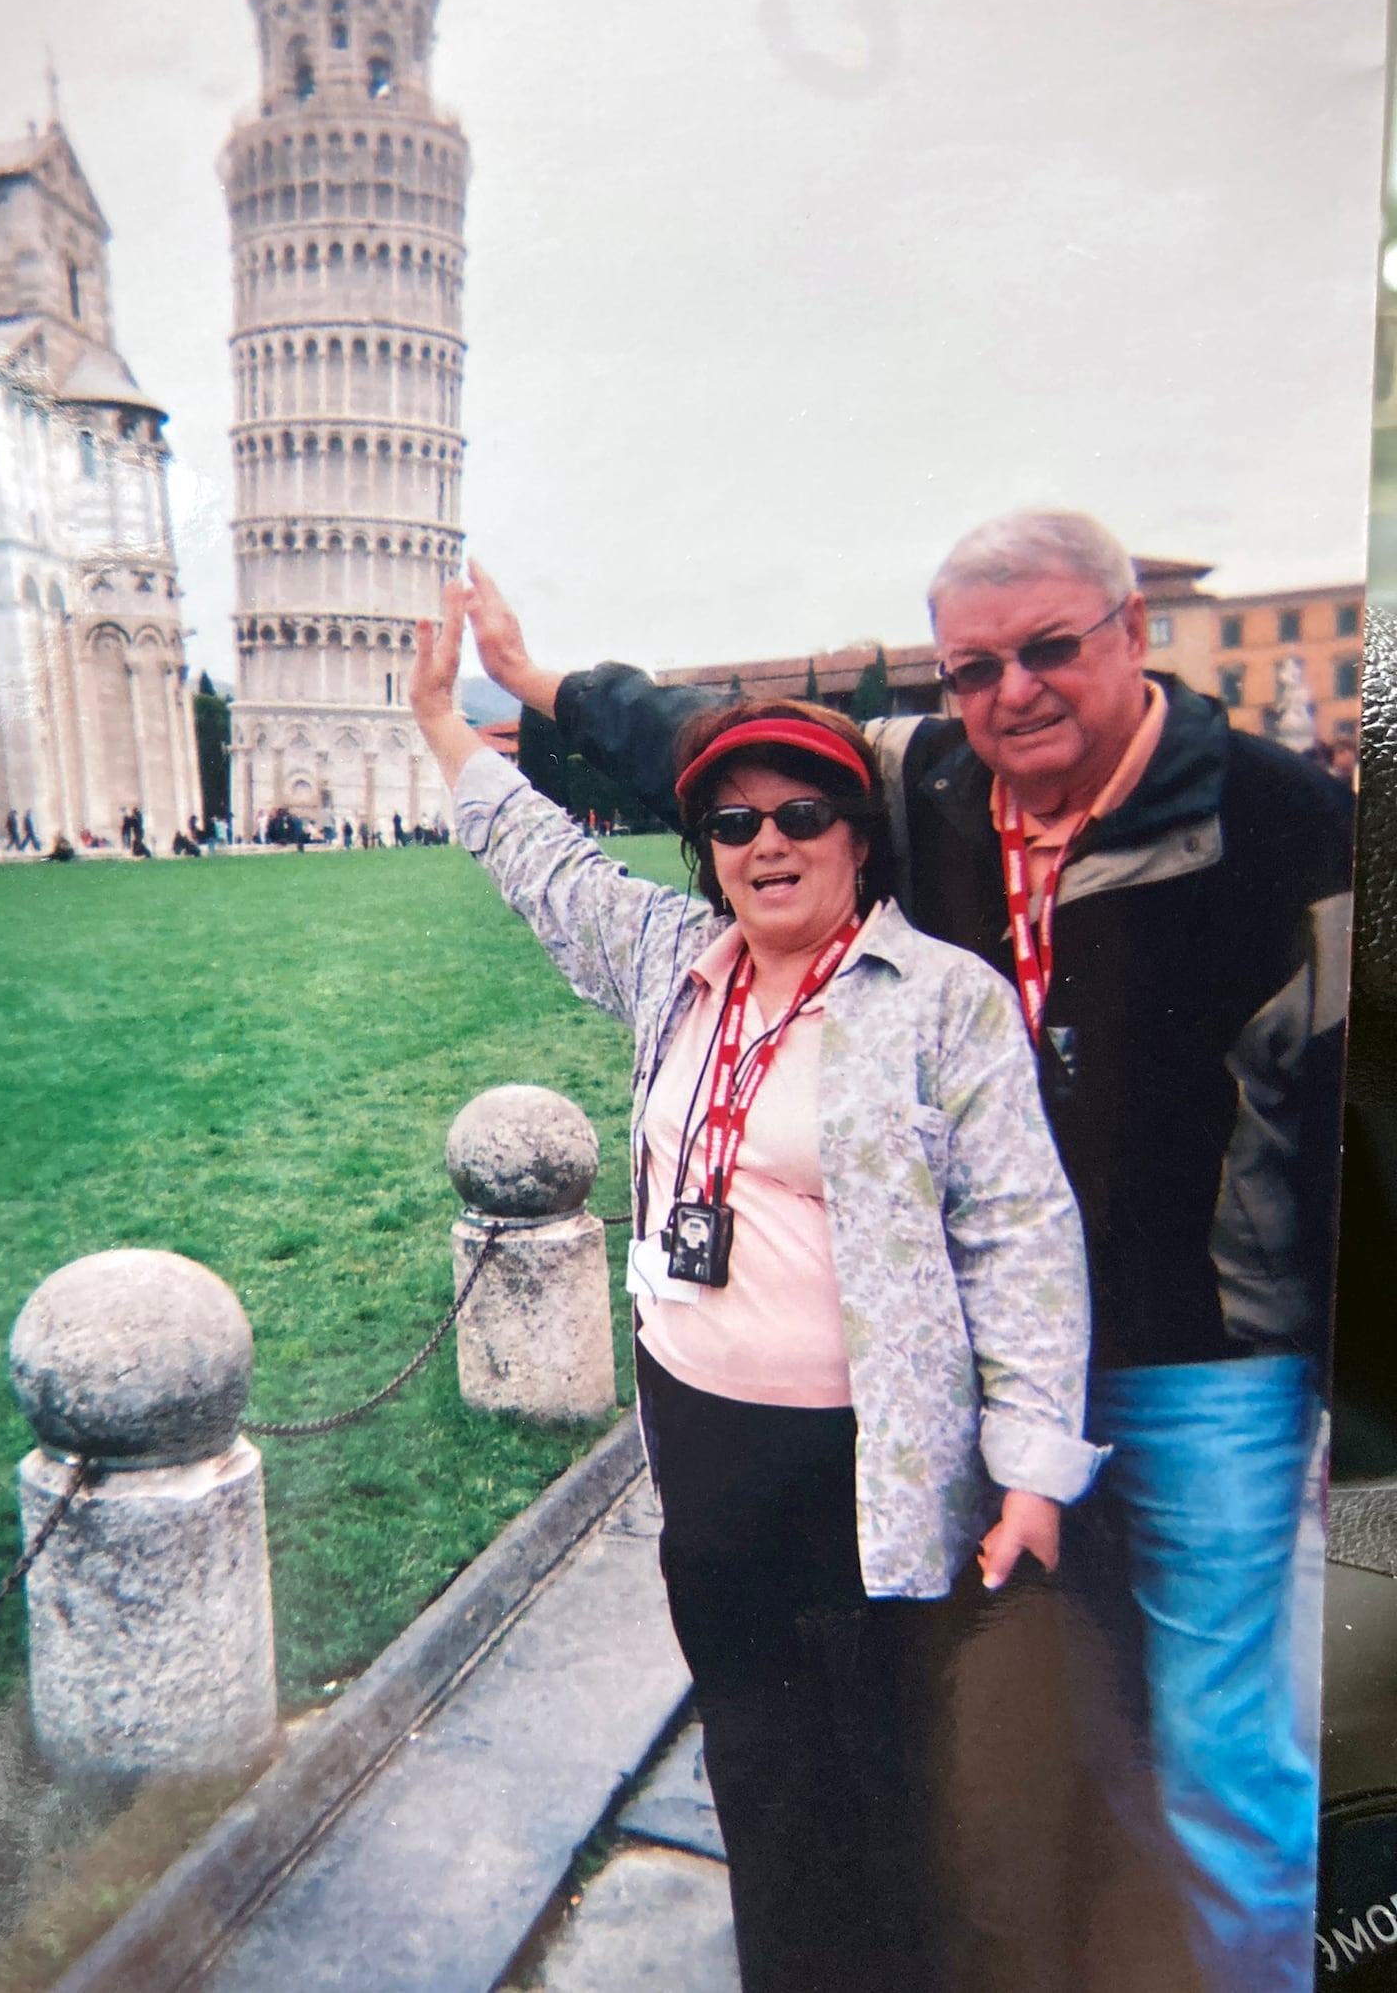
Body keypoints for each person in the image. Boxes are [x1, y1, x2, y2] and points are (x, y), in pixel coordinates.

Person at [465, 514, 1352, 1993]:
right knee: (1052, 1711)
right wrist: (537, 681)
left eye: (1052, 648)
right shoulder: (928, 777)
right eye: (974, 665)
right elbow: (709, 739)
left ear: (1135, 631)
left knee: (1216, 1738)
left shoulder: (1286, 822)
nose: (1014, 691)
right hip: (950, 1341)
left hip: (1201, 1345)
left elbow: (1348, 1120)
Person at [409, 581, 1099, 1993]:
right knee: (757, 1748)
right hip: (709, 1436)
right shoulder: (678, 965)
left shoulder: (939, 997)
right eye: (733, 821)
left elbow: (1021, 1233)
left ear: (859, 837)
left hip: (873, 1453)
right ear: (704, 846)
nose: (767, 843)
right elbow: (544, 863)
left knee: (891, 1774)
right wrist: (445, 720)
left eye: (802, 815)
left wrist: (1030, 1468)